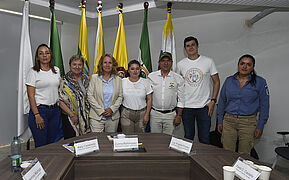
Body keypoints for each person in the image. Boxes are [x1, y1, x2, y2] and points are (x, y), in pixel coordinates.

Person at [217, 54, 269, 155]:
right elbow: (222, 101)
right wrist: (220, 120)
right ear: (238, 65)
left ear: (253, 67)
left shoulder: (260, 82)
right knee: (227, 153)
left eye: (248, 64)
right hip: (229, 121)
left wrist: (260, 126)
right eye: (242, 64)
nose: (244, 67)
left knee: (244, 154)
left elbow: (265, 105)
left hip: (248, 122)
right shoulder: (229, 81)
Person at [176, 36, 220, 144]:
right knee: (188, 137)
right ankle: (188, 160)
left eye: (193, 45)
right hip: (187, 107)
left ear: (197, 46)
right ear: (184, 49)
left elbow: (217, 81)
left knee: (204, 138)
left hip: (204, 107)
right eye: (188, 46)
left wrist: (213, 101)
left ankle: (204, 161)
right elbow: (177, 86)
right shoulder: (180, 64)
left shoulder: (208, 61)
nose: (190, 47)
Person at [26, 44, 63, 147]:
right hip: (40, 111)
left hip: (55, 111)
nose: (44, 56)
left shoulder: (56, 70)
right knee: (41, 145)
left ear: (50, 55)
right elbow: (31, 96)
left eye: (47, 53)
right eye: (41, 53)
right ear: (37, 57)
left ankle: (50, 163)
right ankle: (41, 163)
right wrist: (37, 115)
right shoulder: (33, 72)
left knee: (52, 143)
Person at [148, 52, 185, 135]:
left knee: (168, 141)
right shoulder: (151, 77)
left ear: (172, 63)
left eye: (168, 61)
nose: (165, 63)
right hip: (155, 114)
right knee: (154, 140)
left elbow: (181, 99)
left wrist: (179, 116)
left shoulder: (178, 78)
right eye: (163, 61)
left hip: (170, 115)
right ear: (159, 63)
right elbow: (147, 96)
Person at [87, 54, 123, 132]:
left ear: (113, 65)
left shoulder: (118, 79)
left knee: (110, 141)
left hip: (113, 118)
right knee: (97, 140)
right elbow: (90, 96)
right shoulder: (94, 78)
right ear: (101, 64)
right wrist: (101, 111)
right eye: (105, 62)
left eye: (110, 63)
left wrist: (112, 109)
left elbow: (120, 97)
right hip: (97, 117)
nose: (107, 65)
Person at [58, 55, 90, 139]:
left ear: (83, 66)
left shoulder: (86, 79)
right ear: (70, 65)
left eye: (79, 64)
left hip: (85, 117)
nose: (77, 67)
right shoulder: (64, 81)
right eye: (74, 64)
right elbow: (60, 101)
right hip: (69, 117)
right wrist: (72, 115)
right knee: (71, 142)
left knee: (84, 141)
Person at [121, 60, 153, 133]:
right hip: (126, 114)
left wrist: (147, 114)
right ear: (128, 71)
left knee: (140, 137)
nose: (135, 71)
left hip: (142, 114)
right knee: (128, 137)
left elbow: (149, 99)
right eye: (132, 69)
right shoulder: (123, 81)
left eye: (137, 69)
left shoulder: (146, 82)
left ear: (140, 70)